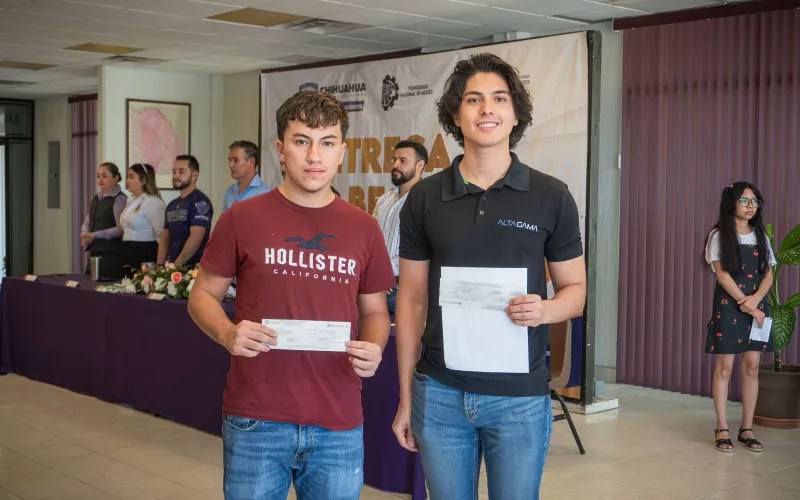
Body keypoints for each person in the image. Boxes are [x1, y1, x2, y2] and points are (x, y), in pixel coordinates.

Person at [392, 53, 586, 500]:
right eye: (473, 99)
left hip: (519, 398)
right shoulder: (424, 198)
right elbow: (412, 300)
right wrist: (406, 396)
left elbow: (575, 292)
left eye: (500, 99)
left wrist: (545, 310)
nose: (487, 109)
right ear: (456, 115)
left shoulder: (551, 196)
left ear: (515, 114)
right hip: (440, 392)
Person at [187, 90, 395, 500]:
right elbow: (202, 296)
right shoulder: (241, 218)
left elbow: (374, 311)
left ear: (342, 153)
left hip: (337, 422)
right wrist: (227, 334)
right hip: (257, 419)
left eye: (327, 143)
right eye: (302, 141)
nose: (315, 156)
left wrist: (375, 346)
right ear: (281, 150)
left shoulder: (364, 227)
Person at [704, 181, 774, 453]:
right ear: (731, 203)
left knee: (752, 367)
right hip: (729, 307)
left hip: (757, 307)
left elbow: (768, 275)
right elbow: (722, 275)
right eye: (744, 201)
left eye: (754, 201)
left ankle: (746, 429)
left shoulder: (761, 236)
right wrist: (748, 304)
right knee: (725, 368)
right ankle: (722, 428)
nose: (750, 206)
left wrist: (756, 302)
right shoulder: (719, 235)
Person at [372, 140, 428, 313]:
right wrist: (375, 274)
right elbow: (370, 241)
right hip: (378, 281)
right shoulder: (384, 200)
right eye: (394, 160)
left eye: (403, 161)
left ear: (420, 165)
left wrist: (386, 274)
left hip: (405, 284)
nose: (396, 165)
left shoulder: (426, 201)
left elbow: (426, 248)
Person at [157, 155, 213, 268]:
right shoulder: (171, 205)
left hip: (194, 268)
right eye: (174, 172)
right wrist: (159, 267)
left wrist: (177, 266)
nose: (176, 176)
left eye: (181, 172)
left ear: (194, 175)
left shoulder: (200, 202)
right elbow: (165, 238)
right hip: (172, 268)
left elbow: (195, 239)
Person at [80, 162, 127, 280]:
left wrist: (95, 235)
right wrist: (84, 233)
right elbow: (88, 220)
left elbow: (121, 229)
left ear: (116, 178)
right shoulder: (96, 198)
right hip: (95, 251)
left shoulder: (120, 199)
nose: (100, 179)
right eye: (98, 176)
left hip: (111, 253)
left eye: (104, 176)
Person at [119, 163, 166, 277]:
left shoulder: (153, 202)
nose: (127, 180)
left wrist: (159, 265)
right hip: (128, 251)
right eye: (127, 177)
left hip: (145, 253)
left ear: (143, 180)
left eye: (131, 177)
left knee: (142, 285)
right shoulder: (131, 200)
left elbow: (162, 235)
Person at [222, 140, 269, 213]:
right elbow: (224, 220)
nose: (230, 165)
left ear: (251, 161)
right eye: (230, 160)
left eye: (236, 160)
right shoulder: (230, 191)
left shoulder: (264, 193)